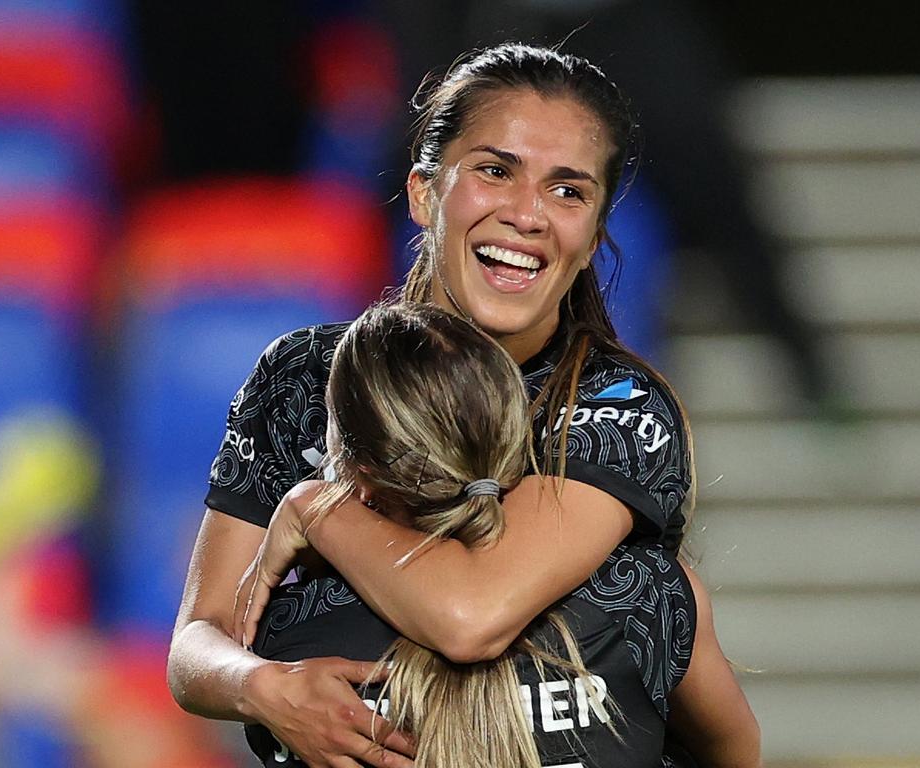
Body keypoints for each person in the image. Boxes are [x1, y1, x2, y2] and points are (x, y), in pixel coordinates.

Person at [168, 43, 759, 767]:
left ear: (593, 235)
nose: (528, 214)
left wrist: (318, 509)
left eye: (567, 191)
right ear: (424, 193)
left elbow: (471, 617)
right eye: (495, 171)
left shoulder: (616, 404)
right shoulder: (301, 375)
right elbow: (198, 641)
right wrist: (262, 687)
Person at [244, 300, 698, 768]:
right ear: (514, 445)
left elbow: (207, 646)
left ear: (357, 476)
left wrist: (310, 505)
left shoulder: (284, 645)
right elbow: (732, 749)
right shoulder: (645, 594)